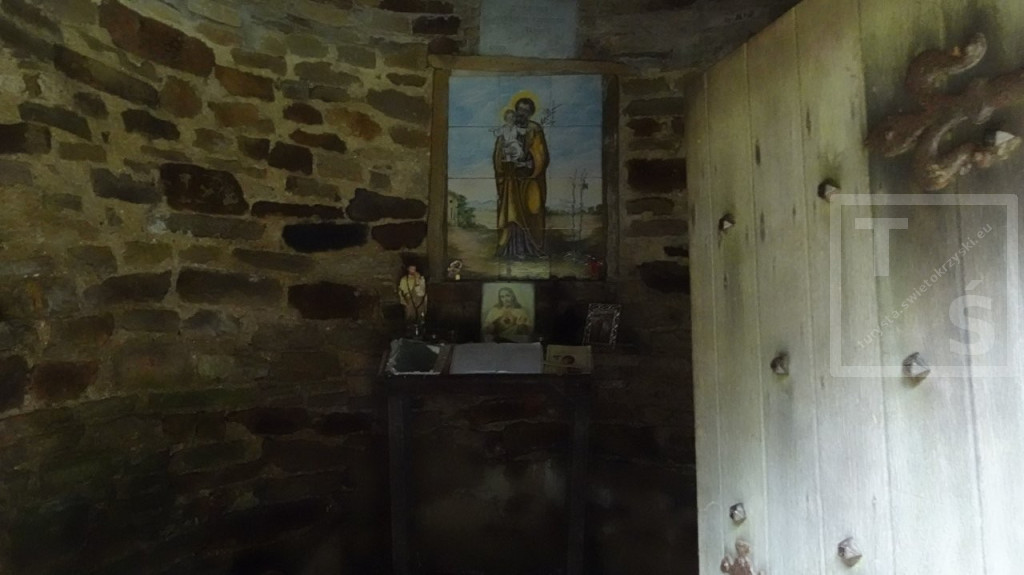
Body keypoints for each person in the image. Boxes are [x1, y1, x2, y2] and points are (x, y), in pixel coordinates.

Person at [493, 97, 549, 259]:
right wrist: (505, 160)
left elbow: (541, 155)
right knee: (512, 214)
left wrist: (529, 164)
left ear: (531, 113)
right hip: (512, 180)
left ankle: (533, 249)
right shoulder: (507, 128)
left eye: (526, 111)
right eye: (520, 110)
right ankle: (512, 250)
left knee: (532, 211)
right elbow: (498, 152)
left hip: (530, 179)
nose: (522, 113)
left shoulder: (534, 129)